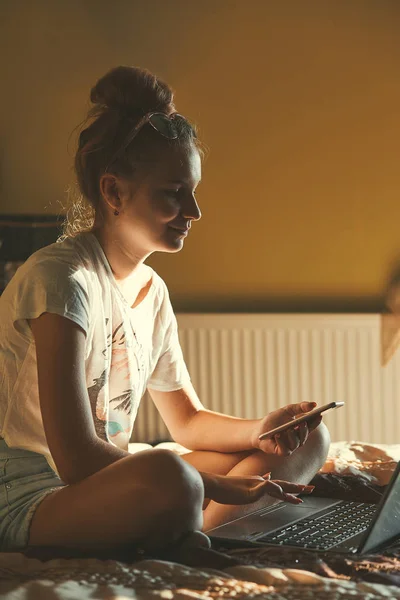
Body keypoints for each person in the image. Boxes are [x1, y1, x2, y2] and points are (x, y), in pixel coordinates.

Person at [0, 66, 330, 555]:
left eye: (193, 191)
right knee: (169, 474)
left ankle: (205, 537)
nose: (193, 211)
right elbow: (74, 459)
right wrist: (213, 485)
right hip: (32, 499)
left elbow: (187, 422)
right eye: (174, 193)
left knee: (309, 443)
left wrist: (263, 431)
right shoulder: (61, 281)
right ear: (113, 192)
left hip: (108, 485)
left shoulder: (152, 290)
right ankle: (197, 524)